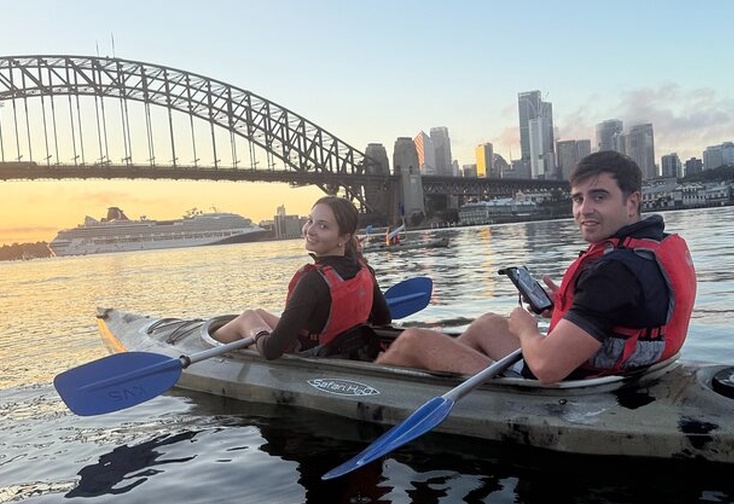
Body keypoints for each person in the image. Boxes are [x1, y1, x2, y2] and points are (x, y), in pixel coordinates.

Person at [376, 151, 697, 384]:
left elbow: (547, 368)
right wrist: (566, 307)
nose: (584, 209)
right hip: (619, 369)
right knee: (488, 323)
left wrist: (526, 327)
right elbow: (622, 312)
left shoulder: (613, 273)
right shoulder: (652, 246)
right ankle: (439, 384)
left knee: (412, 340)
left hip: (575, 383)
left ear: (631, 202)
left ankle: (371, 388)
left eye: (599, 197)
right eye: (578, 198)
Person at [212, 196, 391, 361]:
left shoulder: (313, 280)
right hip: (347, 347)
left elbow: (271, 350)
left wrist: (257, 332)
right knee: (259, 313)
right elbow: (383, 318)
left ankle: (207, 350)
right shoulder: (364, 269)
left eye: (323, 226)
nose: (310, 230)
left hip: (317, 353)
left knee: (248, 318)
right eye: (310, 221)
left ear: (344, 237)